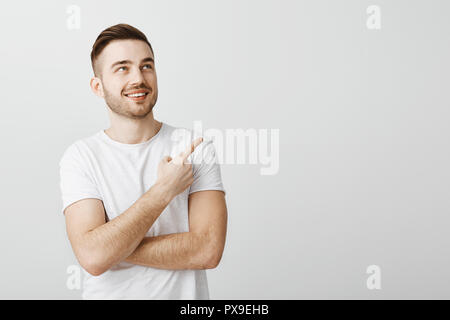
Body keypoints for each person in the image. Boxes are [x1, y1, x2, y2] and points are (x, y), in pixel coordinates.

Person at [58, 23, 227, 299]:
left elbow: (208, 250)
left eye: (146, 66)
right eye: (122, 68)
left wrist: (111, 249)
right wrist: (164, 190)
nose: (138, 78)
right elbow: (92, 256)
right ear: (98, 86)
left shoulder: (194, 147)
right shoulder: (80, 157)